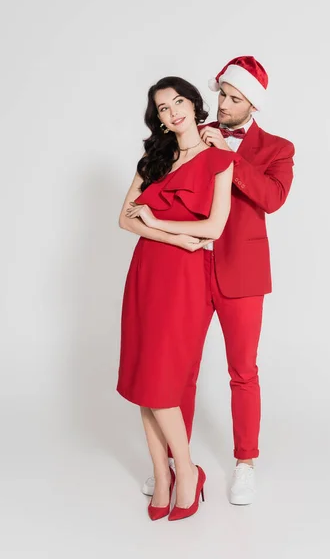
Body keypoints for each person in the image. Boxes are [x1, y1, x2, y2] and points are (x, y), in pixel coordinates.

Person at [140, 56, 295, 505]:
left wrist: (228, 156)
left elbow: (272, 198)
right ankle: (177, 463)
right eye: (221, 94)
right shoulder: (198, 135)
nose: (223, 104)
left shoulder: (277, 149)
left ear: (253, 105)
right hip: (184, 268)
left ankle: (245, 463)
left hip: (242, 275)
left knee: (242, 372)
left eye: (234, 98)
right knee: (178, 370)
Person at [117, 76, 238, 521]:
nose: (172, 112)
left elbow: (214, 227)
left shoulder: (217, 159)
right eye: (163, 109)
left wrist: (165, 229)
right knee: (144, 383)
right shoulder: (154, 158)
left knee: (162, 379)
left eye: (178, 101)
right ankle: (163, 476)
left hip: (183, 280)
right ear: (160, 121)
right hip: (145, 273)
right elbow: (125, 219)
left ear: (193, 104)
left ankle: (187, 472)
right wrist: (168, 233)